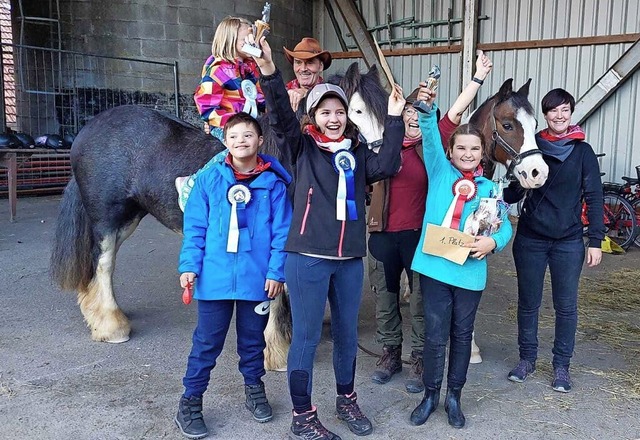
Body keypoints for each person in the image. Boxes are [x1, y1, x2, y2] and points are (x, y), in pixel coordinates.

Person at [251, 34, 406, 439]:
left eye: (340, 111)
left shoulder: (355, 154)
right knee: (304, 336)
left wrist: (393, 118)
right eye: (326, 112)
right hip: (308, 258)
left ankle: (346, 399)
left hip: (349, 259)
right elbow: (282, 115)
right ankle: (302, 416)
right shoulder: (300, 147)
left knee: (347, 334)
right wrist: (269, 69)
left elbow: (388, 162)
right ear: (314, 116)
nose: (334, 118)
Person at [366, 52, 494, 393]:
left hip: (419, 237)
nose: (412, 117)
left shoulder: (433, 147)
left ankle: (421, 357)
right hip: (381, 234)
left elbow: (455, 110)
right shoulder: (383, 146)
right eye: (406, 111)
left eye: (417, 112)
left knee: (421, 299)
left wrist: (477, 79)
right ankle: (390, 353)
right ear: (398, 114)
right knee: (385, 297)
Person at [174, 112, 292, 439]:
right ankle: (190, 400)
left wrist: (276, 271)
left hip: (258, 281)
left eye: (248, 135)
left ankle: (254, 389)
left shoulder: (274, 185)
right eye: (235, 136)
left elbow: (282, 232)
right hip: (214, 280)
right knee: (207, 342)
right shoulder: (209, 181)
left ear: (260, 141)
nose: (242, 141)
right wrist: (189, 266)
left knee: (253, 342)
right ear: (226, 141)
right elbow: (195, 228)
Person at [408, 88, 512, 429]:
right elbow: (428, 128)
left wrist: (492, 243)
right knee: (436, 335)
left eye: (474, 148)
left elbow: (505, 227)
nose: (467, 154)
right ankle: (429, 395)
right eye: (461, 148)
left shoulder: (490, 190)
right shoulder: (439, 170)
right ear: (450, 152)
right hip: (436, 270)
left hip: (469, 275)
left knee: (463, 337)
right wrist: (428, 105)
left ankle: (454, 396)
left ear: (483, 153)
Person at [504, 88, 604, 393]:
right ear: (544, 116)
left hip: (568, 241)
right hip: (531, 238)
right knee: (528, 303)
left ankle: (561, 366)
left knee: (566, 306)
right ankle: (527, 359)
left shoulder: (582, 152)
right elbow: (509, 195)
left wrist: (596, 240)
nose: (559, 116)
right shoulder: (533, 147)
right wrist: (519, 184)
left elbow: (595, 197)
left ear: (571, 113)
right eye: (553, 111)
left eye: (565, 110)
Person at [194, 16, 266, 141]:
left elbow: (261, 99)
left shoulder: (251, 68)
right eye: (245, 39)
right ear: (230, 41)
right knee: (238, 152)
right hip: (226, 128)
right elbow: (207, 108)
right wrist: (235, 125)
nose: (252, 43)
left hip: (250, 126)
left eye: (252, 39)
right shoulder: (218, 70)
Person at [283, 37, 332, 112]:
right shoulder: (284, 90)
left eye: (310, 62)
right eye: (298, 62)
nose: (303, 69)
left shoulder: (330, 93)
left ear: (320, 66)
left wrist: (308, 93)